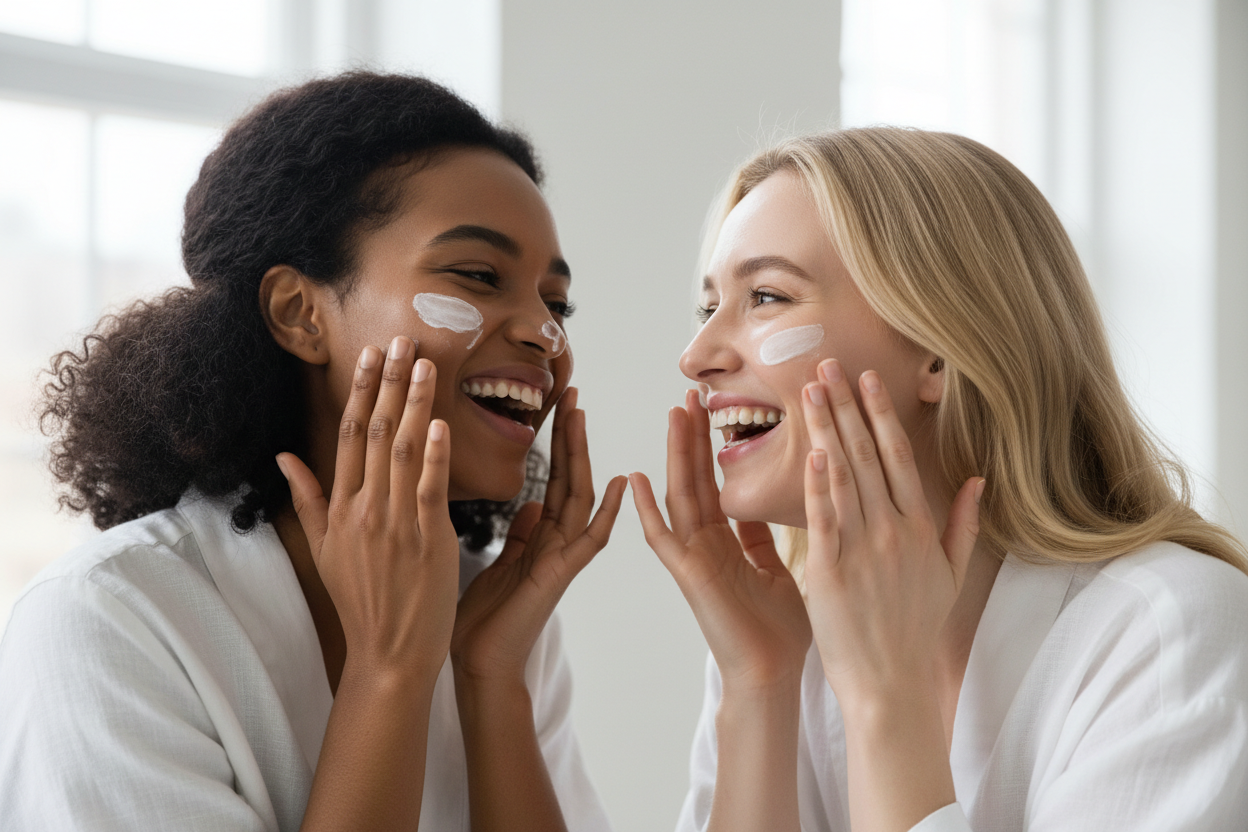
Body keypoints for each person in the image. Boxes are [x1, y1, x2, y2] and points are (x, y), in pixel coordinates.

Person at [0, 72, 626, 832]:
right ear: (300, 314)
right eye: (479, 276)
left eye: (555, 303)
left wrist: (492, 683)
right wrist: (389, 672)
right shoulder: (106, 622)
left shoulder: (501, 624)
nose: (544, 333)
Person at [631, 128, 1248, 832]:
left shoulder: (1171, 630)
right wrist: (759, 686)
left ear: (937, 351)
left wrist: (885, 700)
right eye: (709, 308)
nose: (696, 355)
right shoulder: (786, 642)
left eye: (766, 296)